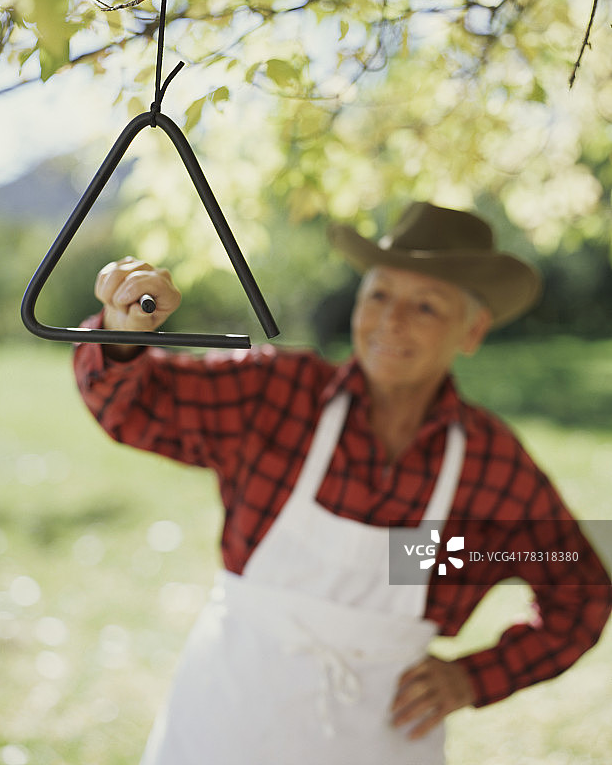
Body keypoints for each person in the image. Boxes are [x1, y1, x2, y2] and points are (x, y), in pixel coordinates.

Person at [73, 202, 611, 765]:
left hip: (377, 740)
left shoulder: (487, 464)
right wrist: (123, 333)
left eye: (425, 305)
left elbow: (580, 589)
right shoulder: (278, 395)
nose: (391, 320)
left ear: (472, 329)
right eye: (378, 294)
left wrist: (473, 678)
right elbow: (134, 409)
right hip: (225, 724)